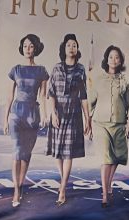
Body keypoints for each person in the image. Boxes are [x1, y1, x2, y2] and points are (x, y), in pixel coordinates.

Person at [3, 33, 49, 208]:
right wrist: (6, 119)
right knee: (17, 150)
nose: (27, 49)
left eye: (30, 46)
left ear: (35, 48)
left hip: (32, 113)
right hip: (17, 112)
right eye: (25, 46)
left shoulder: (42, 71)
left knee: (26, 154)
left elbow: (43, 96)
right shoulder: (15, 70)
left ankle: (21, 185)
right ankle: (16, 189)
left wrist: (45, 115)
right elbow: (10, 96)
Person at [47, 33, 92, 206]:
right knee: (58, 152)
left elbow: (83, 96)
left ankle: (63, 189)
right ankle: (63, 180)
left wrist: (88, 119)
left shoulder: (81, 69)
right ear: (64, 49)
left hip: (73, 114)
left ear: (77, 49)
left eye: (74, 45)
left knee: (68, 153)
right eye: (68, 45)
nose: (71, 48)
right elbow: (51, 93)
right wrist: (53, 113)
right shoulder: (56, 68)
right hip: (58, 114)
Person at [89, 44, 129, 207]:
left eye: (116, 57)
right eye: (110, 57)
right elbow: (91, 102)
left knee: (117, 157)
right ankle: (105, 193)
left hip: (119, 124)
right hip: (100, 124)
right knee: (106, 158)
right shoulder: (99, 80)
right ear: (106, 60)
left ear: (120, 60)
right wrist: (88, 123)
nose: (113, 60)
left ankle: (108, 185)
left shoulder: (124, 81)